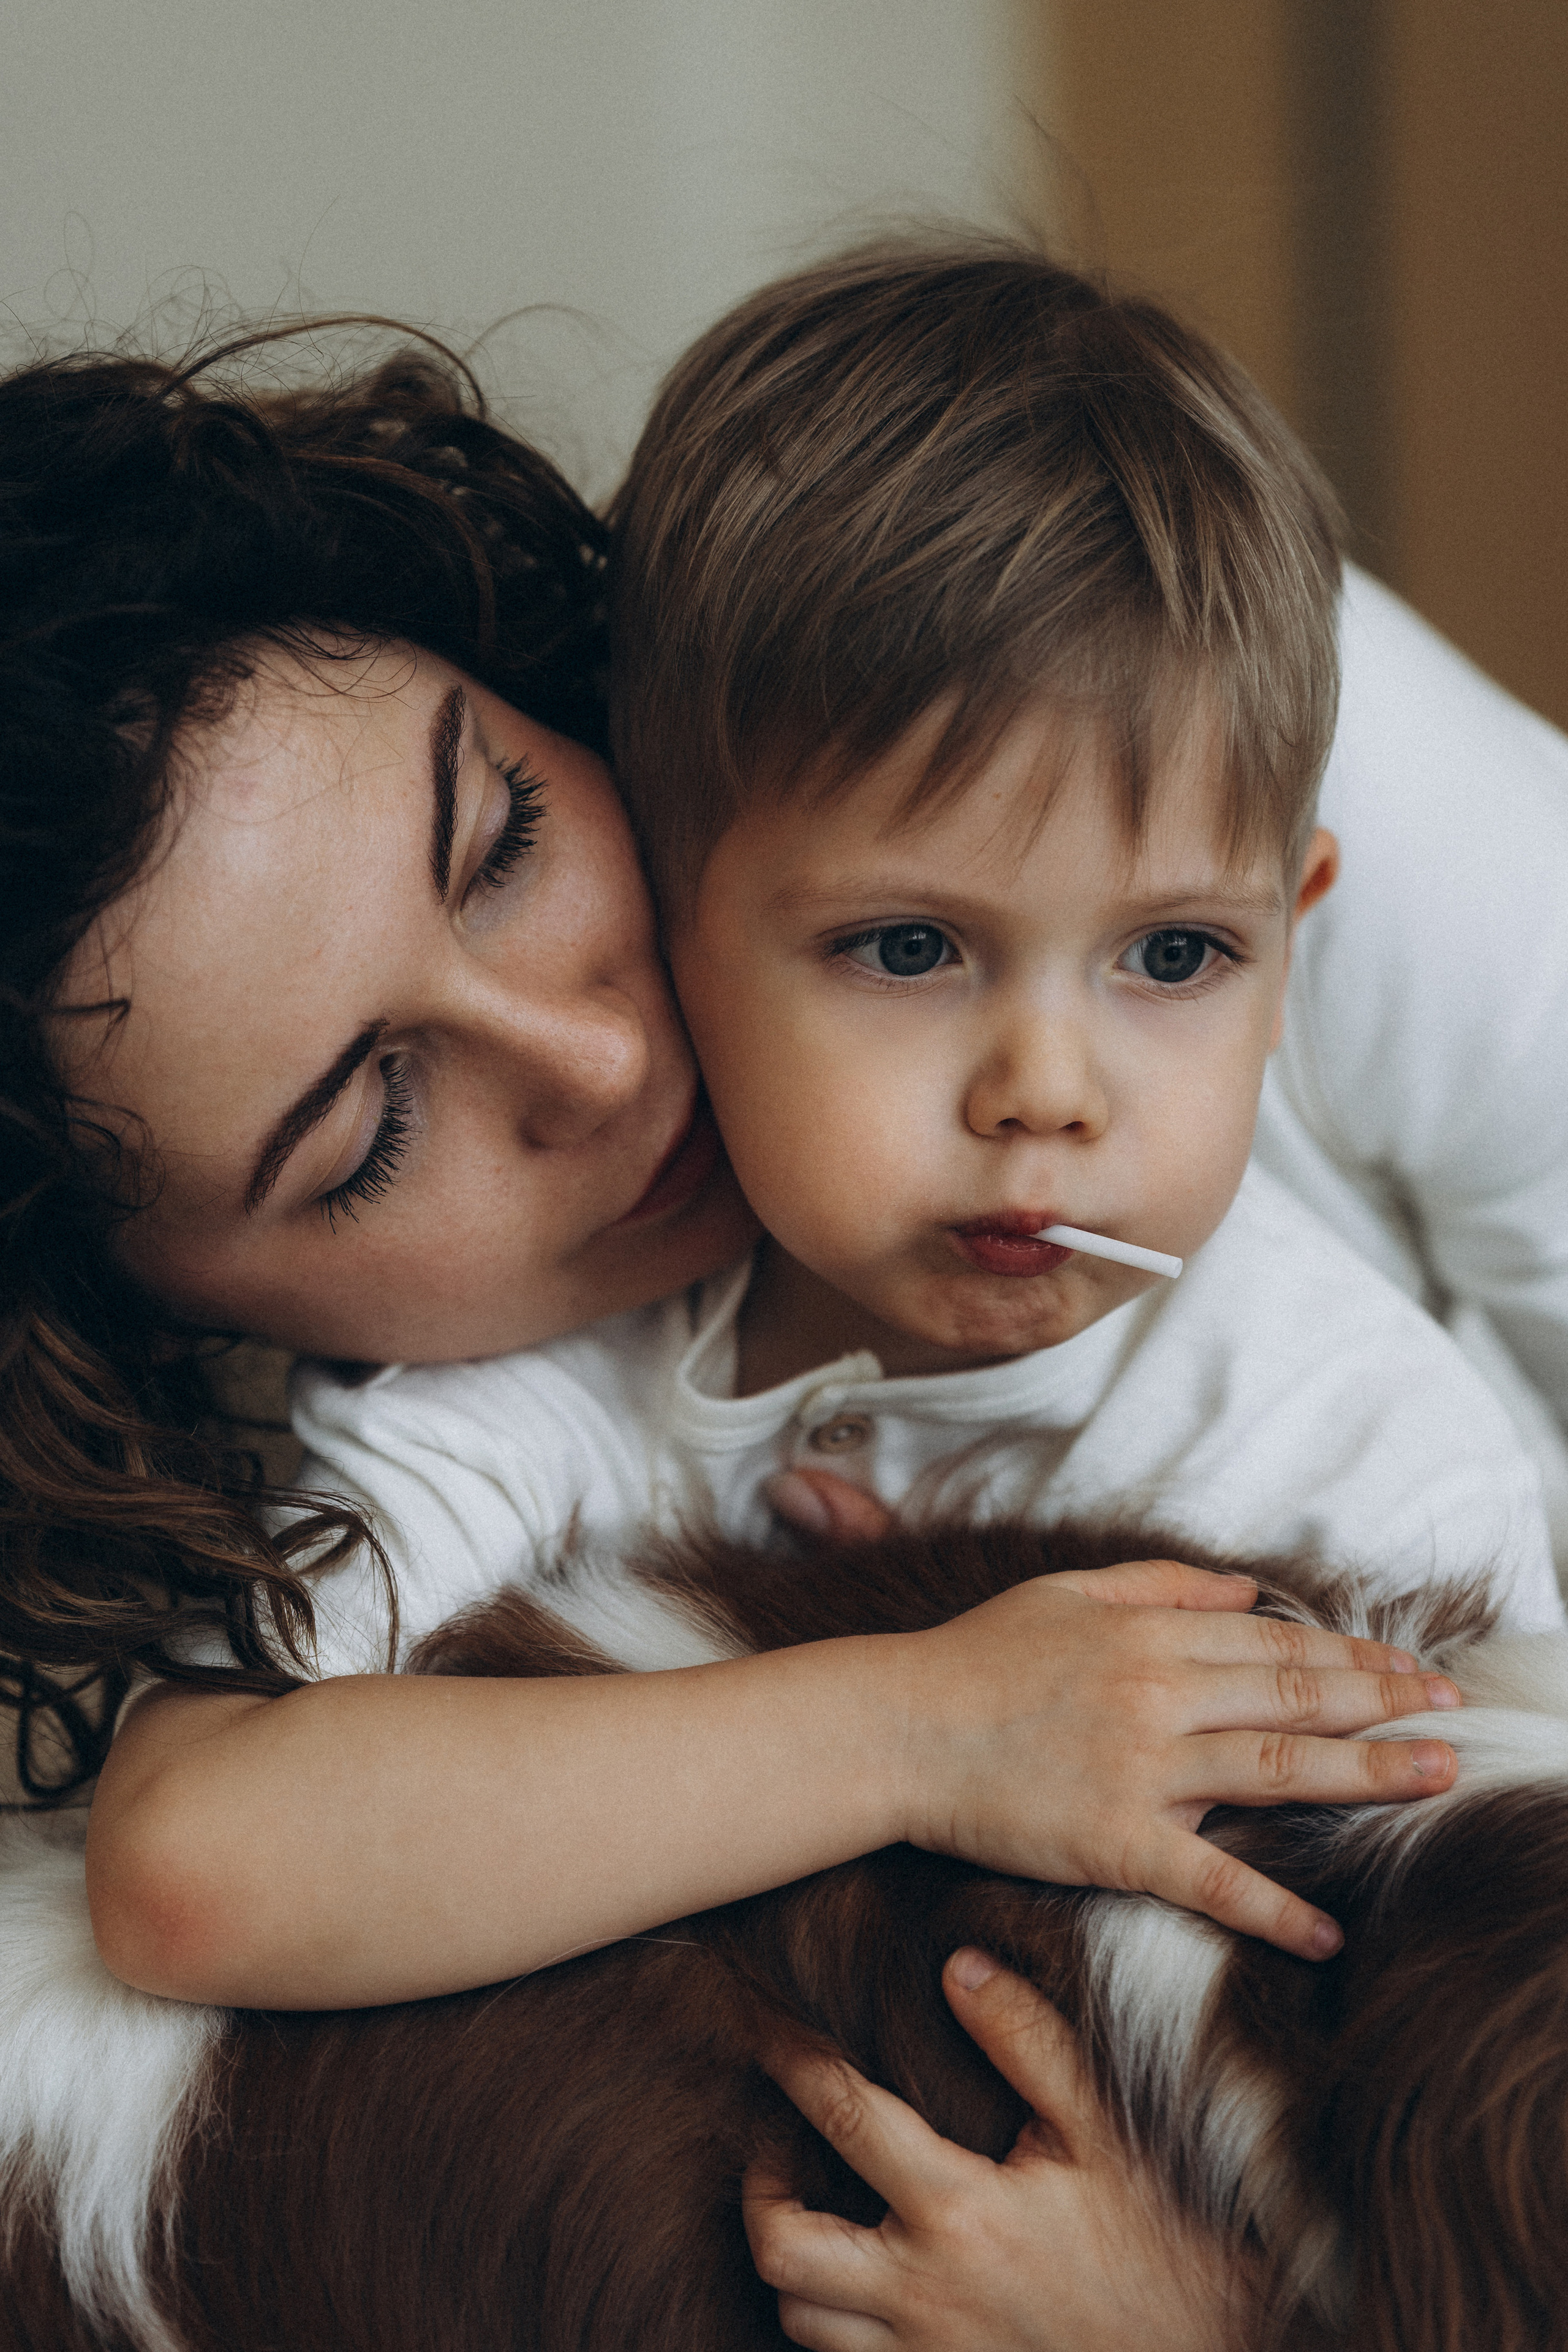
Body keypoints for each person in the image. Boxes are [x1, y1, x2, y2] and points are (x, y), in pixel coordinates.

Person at [0, 309, 1450, 2350]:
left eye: (507, 843)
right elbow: (192, 1860)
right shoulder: (512, 1404)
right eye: (375, 1129)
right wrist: (922, 1722)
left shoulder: (1331, 1403)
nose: (599, 1057)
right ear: (163, 1346)